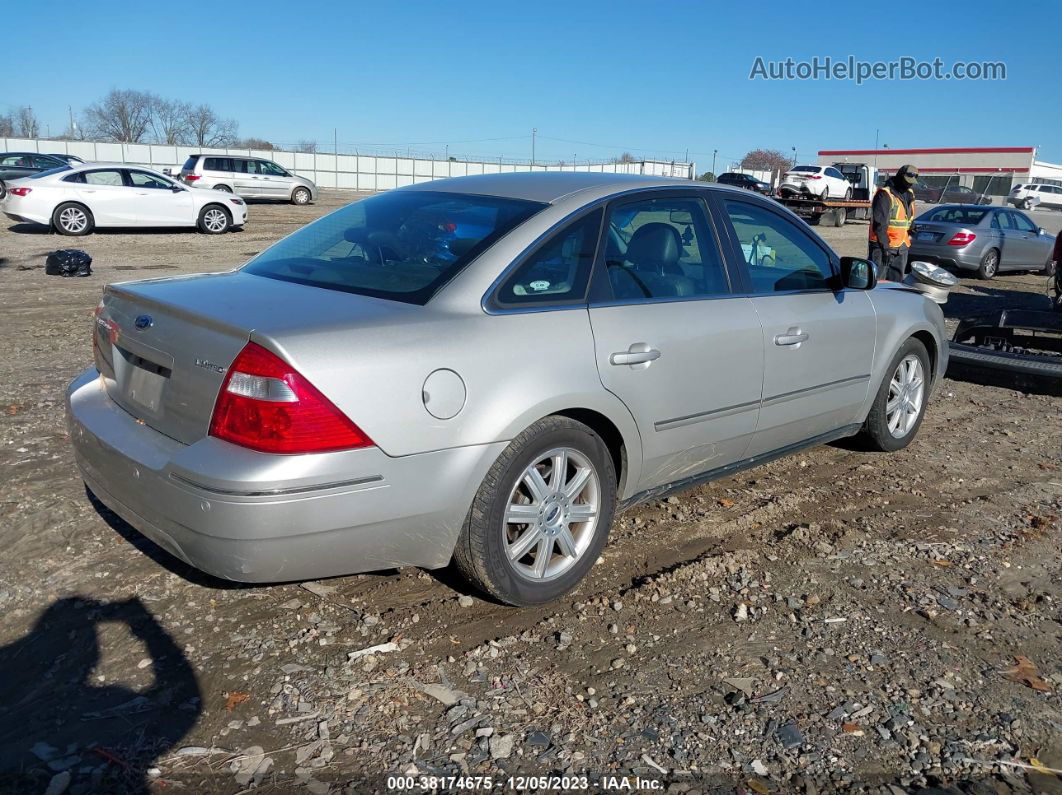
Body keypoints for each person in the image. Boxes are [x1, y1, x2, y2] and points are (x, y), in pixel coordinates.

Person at [869, 164, 919, 282]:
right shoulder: (885, 194)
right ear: (899, 177)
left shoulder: (909, 194)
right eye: (907, 181)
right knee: (877, 283)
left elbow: (905, 218)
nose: (909, 184)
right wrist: (885, 247)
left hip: (901, 247)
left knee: (896, 284)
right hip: (883, 247)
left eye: (912, 181)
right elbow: (879, 224)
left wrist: (911, 225)